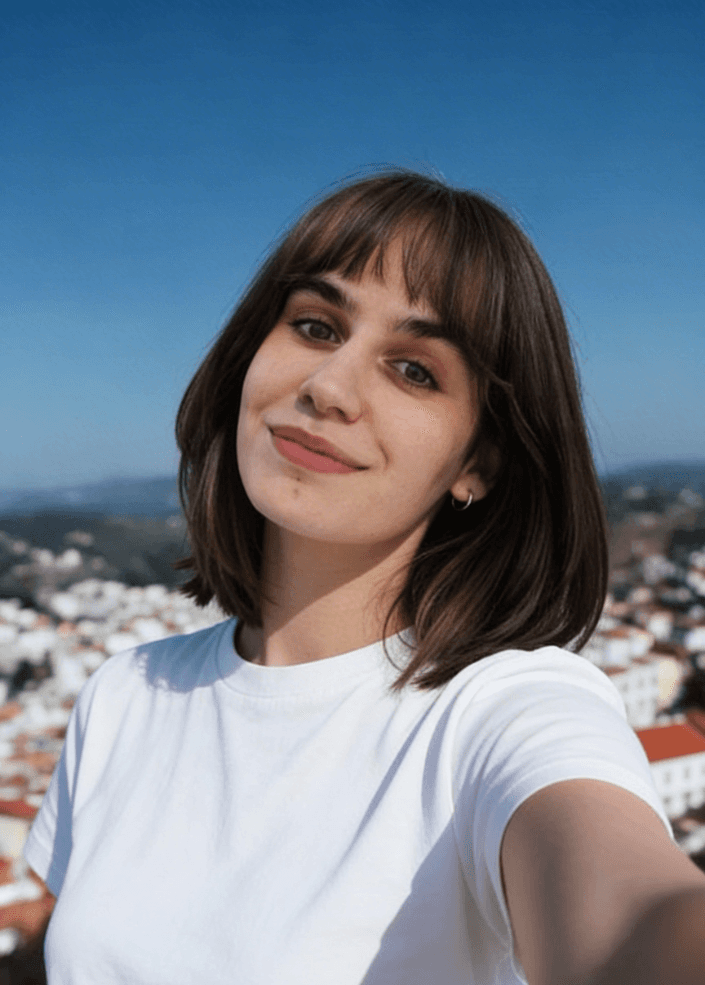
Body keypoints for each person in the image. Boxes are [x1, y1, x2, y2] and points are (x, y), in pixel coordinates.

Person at [24, 170, 705, 984]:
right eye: (314, 325)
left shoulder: (500, 712)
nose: (329, 386)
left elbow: (629, 917)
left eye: (415, 370)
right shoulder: (125, 696)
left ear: (478, 462)